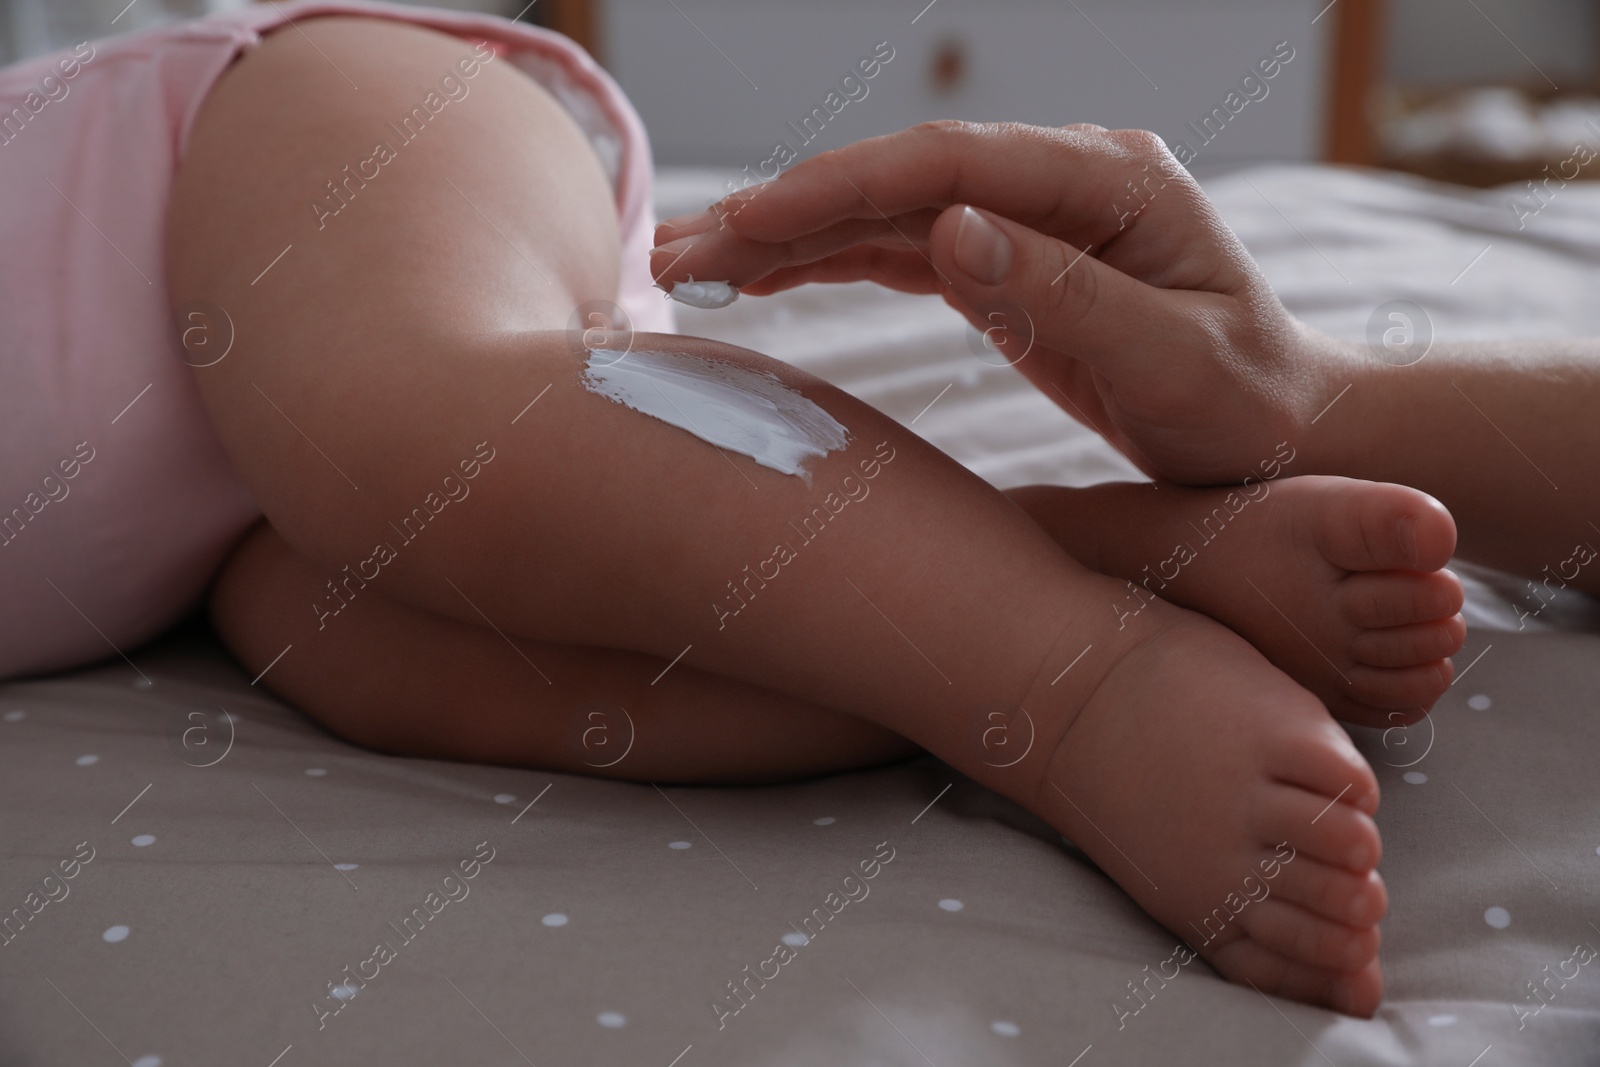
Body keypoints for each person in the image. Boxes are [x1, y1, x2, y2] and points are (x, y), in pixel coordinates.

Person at [2, 5, 1470, 1018]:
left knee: (384, 414)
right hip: (220, 548)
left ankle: (1080, 680)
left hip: (273, 139)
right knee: (389, 659)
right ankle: (1112, 563)